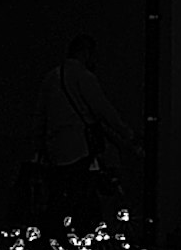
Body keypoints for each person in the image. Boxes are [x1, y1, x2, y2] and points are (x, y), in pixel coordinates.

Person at [30, 32, 120, 229]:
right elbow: (103, 110)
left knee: (58, 197)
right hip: (79, 148)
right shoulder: (84, 78)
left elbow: (40, 116)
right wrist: (126, 133)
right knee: (84, 196)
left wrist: (39, 146)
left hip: (55, 148)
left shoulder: (51, 77)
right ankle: (84, 235)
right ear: (87, 53)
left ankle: (55, 238)